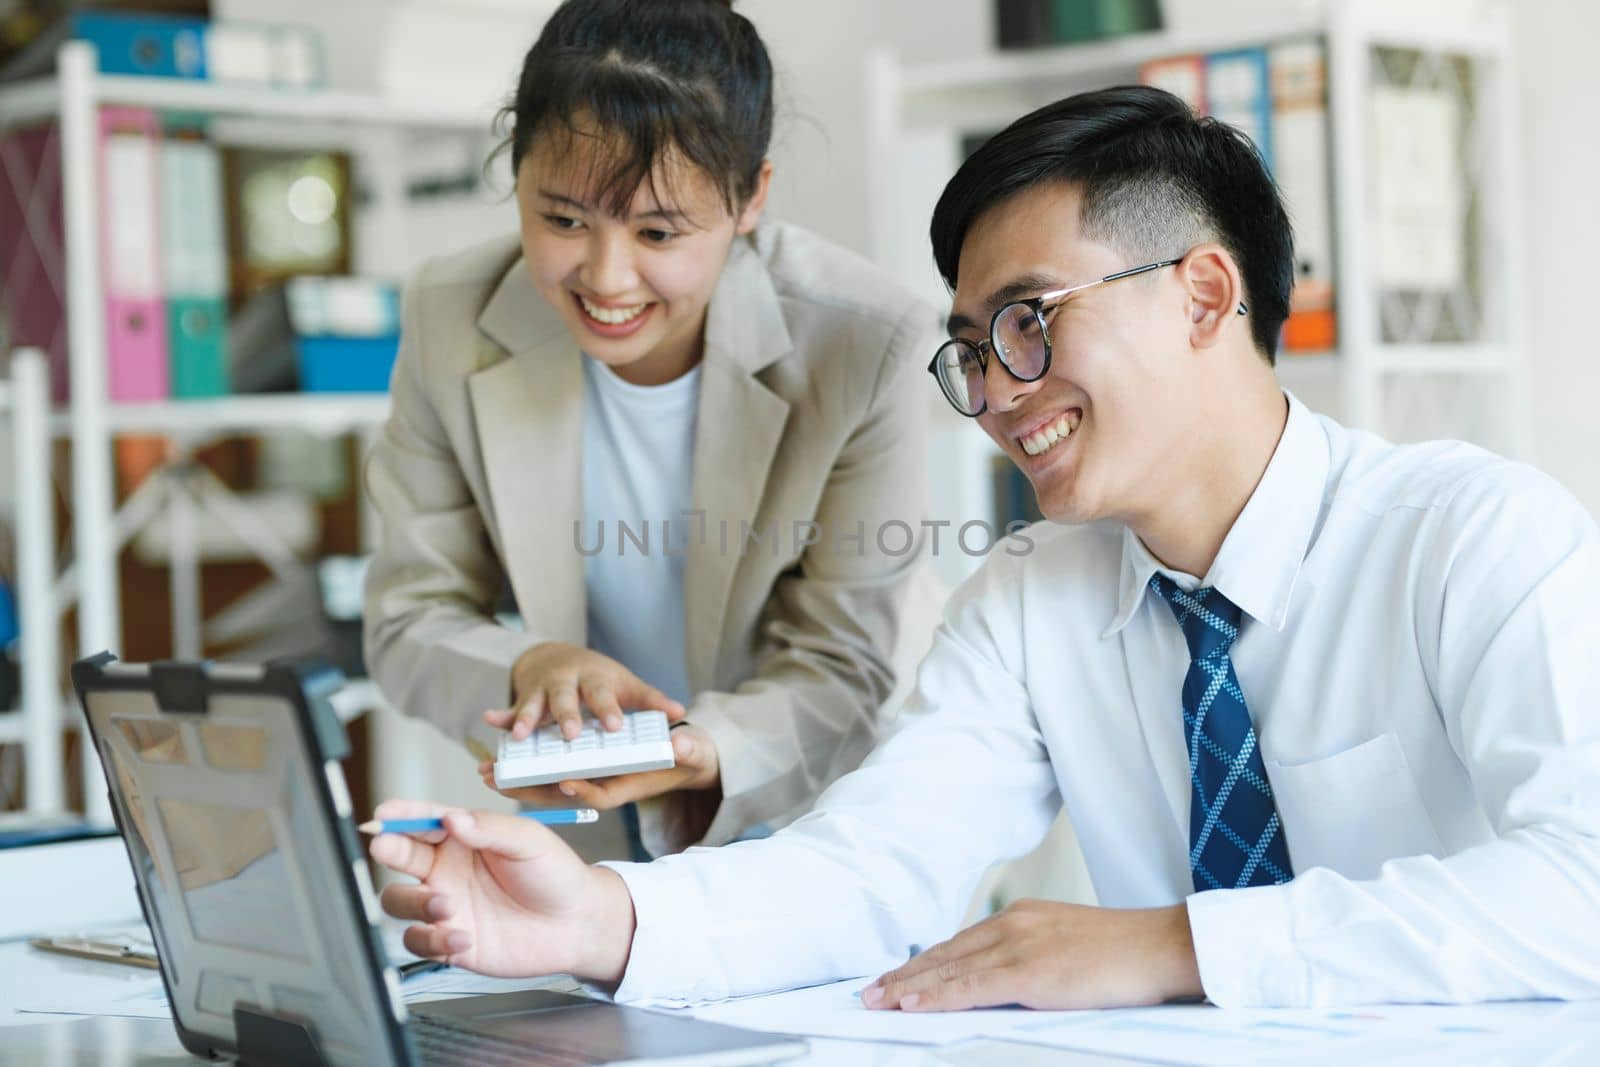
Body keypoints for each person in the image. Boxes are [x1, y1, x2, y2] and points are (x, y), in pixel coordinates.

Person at [368, 85, 1600, 1010]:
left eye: (1029, 321)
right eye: (972, 347)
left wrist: (1168, 943)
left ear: (1205, 296)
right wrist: (589, 914)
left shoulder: (1473, 536)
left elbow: (1583, 886)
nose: (999, 391)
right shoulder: (1030, 594)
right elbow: (871, 867)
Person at [362, 0, 936, 859]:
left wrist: (705, 751)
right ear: (514, 173)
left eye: (659, 231)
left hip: (823, 811)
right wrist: (534, 668)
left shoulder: (861, 339)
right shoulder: (452, 316)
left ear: (751, 199)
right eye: (562, 220)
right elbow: (409, 614)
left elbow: (845, 662)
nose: (606, 276)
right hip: (592, 824)